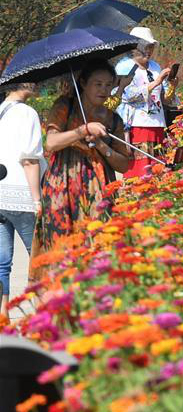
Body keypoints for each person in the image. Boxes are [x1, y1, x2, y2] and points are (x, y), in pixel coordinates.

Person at [35, 59, 131, 267]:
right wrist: (82, 130)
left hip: (99, 191)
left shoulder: (113, 120)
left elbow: (124, 164)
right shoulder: (65, 106)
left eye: (108, 84)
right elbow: (51, 142)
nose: (104, 90)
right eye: (98, 84)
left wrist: (102, 146)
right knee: (61, 252)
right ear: (84, 83)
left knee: (98, 248)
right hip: (62, 188)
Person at [0, 83, 43, 317]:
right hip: (22, 195)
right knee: (39, 257)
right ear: (23, 84)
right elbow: (30, 159)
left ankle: (2, 313)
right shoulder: (28, 113)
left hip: (0, 193)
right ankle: (45, 309)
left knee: (1, 262)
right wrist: (37, 199)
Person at [117, 39, 177, 178]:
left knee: (158, 166)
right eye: (144, 47)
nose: (148, 51)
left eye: (151, 47)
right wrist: (156, 82)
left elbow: (165, 99)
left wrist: (172, 86)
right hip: (136, 125)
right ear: (133, 48)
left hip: (157, 123)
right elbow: (129, 96)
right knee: (140, 169)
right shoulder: (125, 67)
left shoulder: (155, 67)